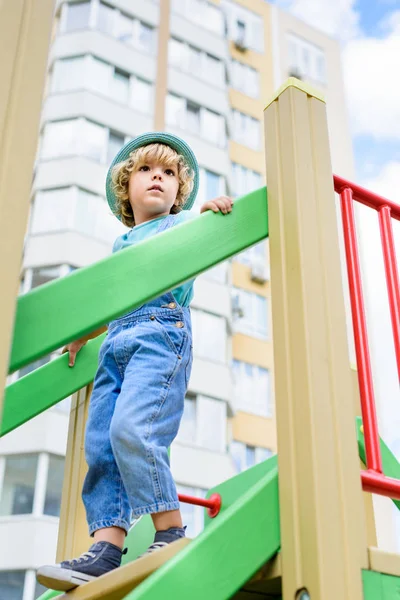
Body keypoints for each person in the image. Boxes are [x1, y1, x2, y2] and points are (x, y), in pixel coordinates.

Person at [36, 132, 233, 592]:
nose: (158, 178)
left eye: (169, 173)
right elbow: (112, 302)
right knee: (102, 444)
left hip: (160, 337)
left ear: (179, 193)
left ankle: (168, 529)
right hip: (114, 347)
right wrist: (86, 332)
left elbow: (197, 240)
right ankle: (106, 545)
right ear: (126, 188)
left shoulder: (179, 226)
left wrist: (206, 215)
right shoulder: (122, 244)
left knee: (133, 429)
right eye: (146, 170)